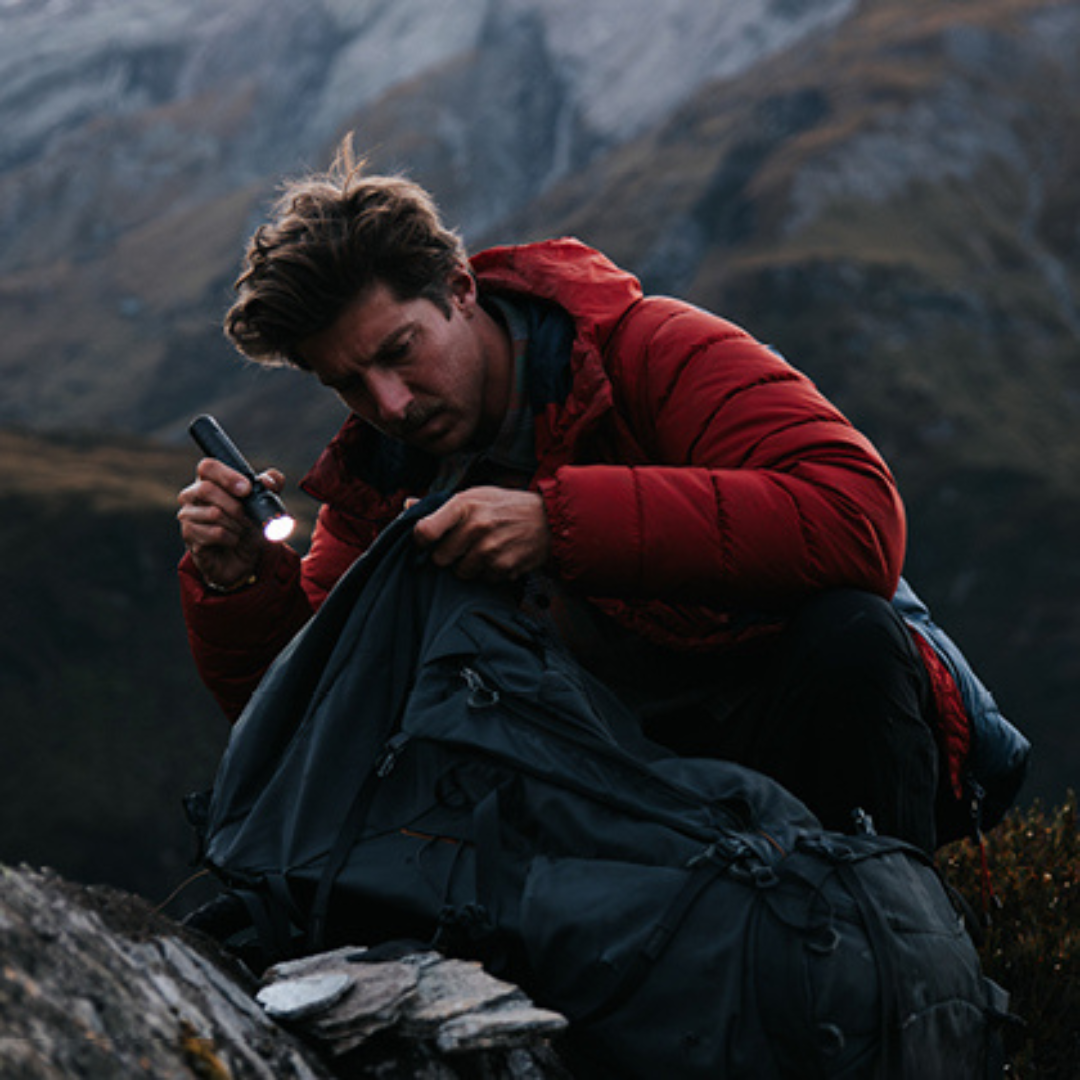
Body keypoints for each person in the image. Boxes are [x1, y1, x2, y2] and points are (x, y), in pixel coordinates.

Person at [177, 140, 987, 854]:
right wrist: (240, 585)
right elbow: (320, 730)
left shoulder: (653, 351)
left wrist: (557, 525)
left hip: (782, 729)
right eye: (348, 383)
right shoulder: (379, 483)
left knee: (850, 632)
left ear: (460, 288)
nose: (390, 405)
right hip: (596, 798)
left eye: (400, 351)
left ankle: (879, 947)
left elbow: (856, 521)